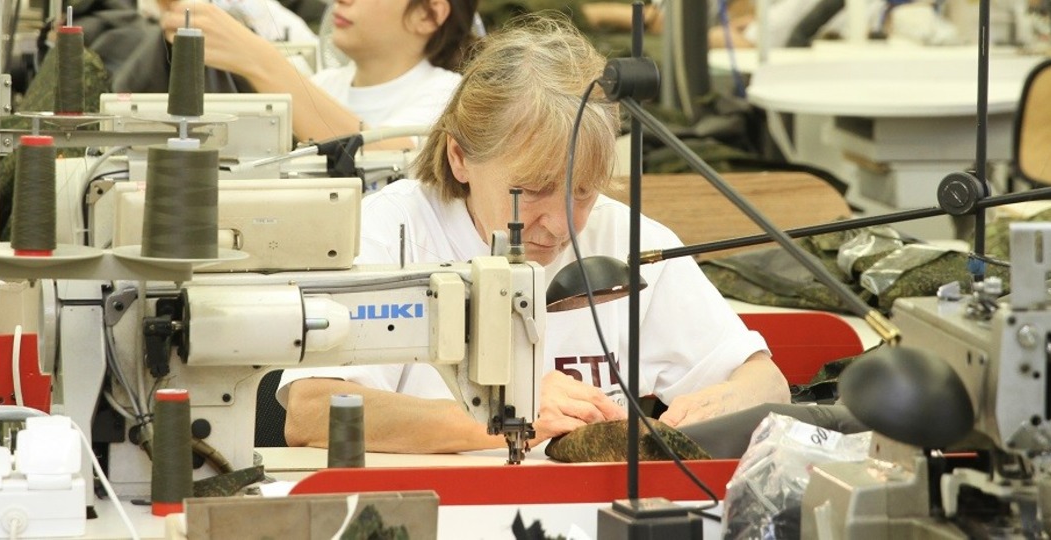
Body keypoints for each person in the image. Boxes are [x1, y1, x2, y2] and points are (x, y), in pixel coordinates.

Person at [276, 15, 790, 454]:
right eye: (532, 191)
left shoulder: (627, 241)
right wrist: (505, 418)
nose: (562, 225)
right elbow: (311, 412)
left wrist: (722, 401)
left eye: (583, 192)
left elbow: (766, 381)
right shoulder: (388, 233)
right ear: (459, 158)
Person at [153, 0, 479, 144]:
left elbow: (382, 158)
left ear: (428, 14)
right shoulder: (323, 86)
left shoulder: (452, 99)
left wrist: (259, 59)